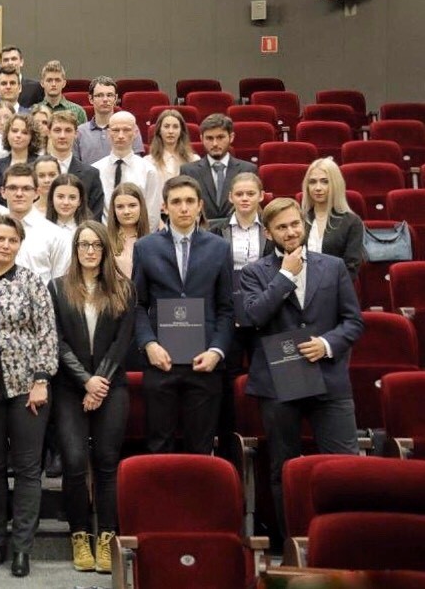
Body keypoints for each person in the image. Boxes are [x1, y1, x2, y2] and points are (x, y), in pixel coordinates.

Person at [240, 197, 363, 536]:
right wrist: (284, 275)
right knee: (285, 469)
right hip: (279, 382)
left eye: (295, 224)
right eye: (282, 227)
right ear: (268, 233)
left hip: (329, 377)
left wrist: (327, 344)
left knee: (345, 466)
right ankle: (294, 543)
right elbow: (253, 316)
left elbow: (353, 322)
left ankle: (345, 540)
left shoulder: (333, 266)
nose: (291, 232)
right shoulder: (254, 272)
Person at [0, 215, 56, 578]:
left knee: (29, 469)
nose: (5, 245)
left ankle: (21, 547)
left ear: (20, 244)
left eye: (12, 240)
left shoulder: (32, 282)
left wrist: (41, 379)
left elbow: (47, 334)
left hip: (26, 389)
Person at [48, 220, 136, 575]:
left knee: (106, 462)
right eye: (83, 244)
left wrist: (99, 383)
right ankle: (80, 535)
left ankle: (107, 536)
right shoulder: (57, 288)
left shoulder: (123, 288)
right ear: (75, 249)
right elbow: (56, 342)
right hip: (70, 387)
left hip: (111, 387)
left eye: (96, 245)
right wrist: (86, 381)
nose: (89, 250)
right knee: (72, 462)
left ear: (105, 250)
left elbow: (122, 341)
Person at [132, 175, 234, 455]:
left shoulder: (219, 247)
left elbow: (226, 308)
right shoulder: (145, 247)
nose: (184, 208)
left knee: (200, 448)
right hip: (160, 361)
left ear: (200, 205)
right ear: (165, 207)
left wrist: (216, 351)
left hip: (205, 361)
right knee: (158, 446)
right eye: (176, 202)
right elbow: (137, 305)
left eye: (190, 201)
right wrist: (148, 344)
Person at [209, 172, 273, 459]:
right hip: (229, 318)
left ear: (261, 195)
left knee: (268, 378)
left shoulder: (271, 228)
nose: (245, 199)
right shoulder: (216, 230)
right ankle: (228, 449)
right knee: (226, 383)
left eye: (250, 193)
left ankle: (266, 441)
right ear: (230, 197)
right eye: (239, 194)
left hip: (266, 317)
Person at [1, 163, 72, 284]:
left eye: (26, 188)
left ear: (37, 193)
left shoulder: (56, 235)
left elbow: (60, 285)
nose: (19, 194)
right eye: (13, 188)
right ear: (2, 192)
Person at [92, 110, 163, 229]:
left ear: (135, 133)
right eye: (115, 130)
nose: (120, 135)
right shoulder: (95, 170)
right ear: (109, 133)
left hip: (139, 236)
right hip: (103, 235)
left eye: (126, 130)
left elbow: (152, 214)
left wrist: (143, 239)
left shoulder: (149, 171)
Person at [180, 113, 258, 221]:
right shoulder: (188, 171)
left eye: (220, 137)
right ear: (201, 138)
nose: (215, 143)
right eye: (209, 138)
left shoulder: (248, 169)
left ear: (231, 137)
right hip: (201, 229)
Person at [300, 157, 365, 280]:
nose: (318, 188)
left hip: (336, 288)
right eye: (312, 182)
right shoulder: (300, 219)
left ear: (336, 184)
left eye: (325, 181)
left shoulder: (352, 222)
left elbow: (351, 268)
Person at [44, 112, 106, 219]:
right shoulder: (34, 170)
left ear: (76, 134)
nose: (62, 136)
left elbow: (95, 216)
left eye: (68, 130)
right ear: (48, 133)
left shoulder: (91, 174)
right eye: (57, 130)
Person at [75, 76, 145, 163]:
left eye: (109, 95)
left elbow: (137, 162)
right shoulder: (80, 131)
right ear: (90, 99)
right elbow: (75, 166)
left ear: (115, 98)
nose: (105, 99)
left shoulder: (129, 127)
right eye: (100, 95)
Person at [106, 182, 150, 279]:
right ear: (113, 210)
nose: (126, 212)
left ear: (141, 207)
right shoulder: (104, 240)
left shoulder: (153, 241)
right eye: (120, 207)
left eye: (132, 205)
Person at [148, 108, 199, 183]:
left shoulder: (194, 160)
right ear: (159, 130)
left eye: (175, 127)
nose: (171, 131)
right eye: (166, 126)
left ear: (181, 131)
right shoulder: (148, 161)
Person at [33, 60, 86, 125]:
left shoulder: (78, 111)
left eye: (57, 80)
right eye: (49, 80)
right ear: (42, 83)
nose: (53, 84)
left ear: (64, 83)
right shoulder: (33, 111)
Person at [46, 173, 91, 239]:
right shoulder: (41, 228)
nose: (66, 202)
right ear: (52, 198)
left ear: (80, 201)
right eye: (60, 197)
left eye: (72, 197)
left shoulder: (90, 231)